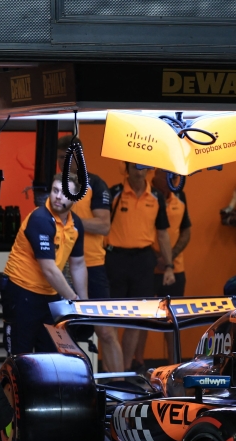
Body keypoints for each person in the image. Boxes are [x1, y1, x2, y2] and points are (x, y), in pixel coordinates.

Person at [0, 173, 88, 354]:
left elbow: (78, 264)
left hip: (50, 295)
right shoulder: (40, 219)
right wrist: (74, 300)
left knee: (51, 357)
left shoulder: (76, 224)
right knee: (19, 358)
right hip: (22, 292)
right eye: (55, 191)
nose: (58, 196)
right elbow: (49, 269)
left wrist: (85, 305)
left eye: (65, 194)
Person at [56, 136, 122, 372]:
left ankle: (119, 386)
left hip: (92, 265)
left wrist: (71, 220)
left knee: (105, 330)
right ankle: (69, 384)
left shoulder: (95, 183)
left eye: (66, 158)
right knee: (61, 330)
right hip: (60, 268)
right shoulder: (56, 184)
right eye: (59, 158)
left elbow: (103, 225)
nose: (61, 163)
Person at [106, 163, 172, 370]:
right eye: (134, 166)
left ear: (149, 169)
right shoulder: (113, 193)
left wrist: (169, 266)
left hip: (143, 260)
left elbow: (162, 233)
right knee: (113, 318)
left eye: (143, 166)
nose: (139, 170)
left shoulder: (156, 196)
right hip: (115, 259)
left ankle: (124, 373)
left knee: (136, 318)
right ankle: (112, 374)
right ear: (126, 168)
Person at [132, 169, 192, 369]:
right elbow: (137, 229)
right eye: (166, 174)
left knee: (173, 320)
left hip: (175, 269)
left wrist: (169, 258)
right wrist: (153, 257)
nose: (172, 179)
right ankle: (138, 364)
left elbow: (186, 232)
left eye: (174, 175)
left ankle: (174, 366)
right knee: (143, 320)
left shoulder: (181, 196)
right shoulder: (147, 195)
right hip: (147, 267)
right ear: (155, 175)